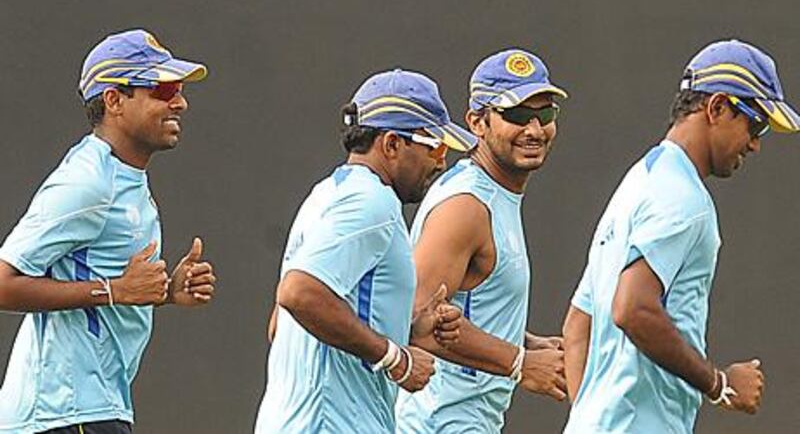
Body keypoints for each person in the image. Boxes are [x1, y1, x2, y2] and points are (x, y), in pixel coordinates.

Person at [562, 39, 795, 433]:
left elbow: (576, 327)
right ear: (717, 107)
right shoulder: (683, 197)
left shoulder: (638, 182)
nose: (755, 144)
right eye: (754, 125)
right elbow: (632, 308)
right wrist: (719, 384)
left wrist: (591, 419)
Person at [0, 29, 217, 434]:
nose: (180, 102)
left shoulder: (123, 176)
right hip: (63, 414)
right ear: (114, 100)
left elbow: (96, 277)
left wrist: (165, 292)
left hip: (89, 410)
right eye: (163, 88)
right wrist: (116, 290)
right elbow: (3, 283)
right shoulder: (88, 182)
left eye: (180, 89)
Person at [254, 69, 475, 433]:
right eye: (434, 145)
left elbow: (281, 324)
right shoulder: (371, 203)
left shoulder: (325, 195)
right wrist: (395, 358)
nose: (441, 161)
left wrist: (408, 329)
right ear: (391, 145)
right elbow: (298, 293)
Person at [395, 48, 570, 434]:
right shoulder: (466, 207)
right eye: (518, 116)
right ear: (477, 122)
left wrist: (526, 341)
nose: (535, 129)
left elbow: (459, 306)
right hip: (437, 423)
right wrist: (520, 361)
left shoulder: (494, 195)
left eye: (546, 114)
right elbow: (414, 321)